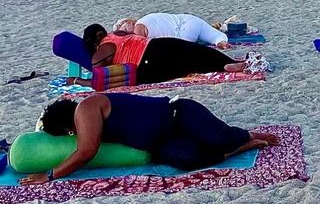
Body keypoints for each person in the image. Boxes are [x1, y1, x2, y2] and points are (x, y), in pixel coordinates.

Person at [19, 94, 279, 184]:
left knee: (218, 136)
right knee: (189, 159)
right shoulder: (84, 116)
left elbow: (87, 151)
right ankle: (240, 148)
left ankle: (247, 135)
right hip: (162, 143)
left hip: (180, 114)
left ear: (67, 130)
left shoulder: (86, 108)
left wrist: (50, 174)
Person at [74, 24, 249, 87]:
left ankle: (224, 65)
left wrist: (76, 81)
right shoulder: (118, 33)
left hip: (146, 63)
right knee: (194, 51)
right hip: (156, 44)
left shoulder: (101, 51)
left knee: (185, 66)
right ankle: (227, 63)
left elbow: (99, 79)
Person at [113, 13, 229, 49]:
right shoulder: (146, 19)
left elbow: (141, 47)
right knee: (216, 36)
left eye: (123, 30)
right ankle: (221, 42)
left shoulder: (138, 28)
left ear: (129, 23)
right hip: (191, 21)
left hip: (183, 34)